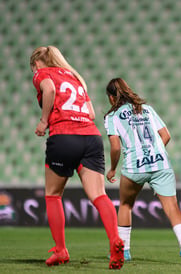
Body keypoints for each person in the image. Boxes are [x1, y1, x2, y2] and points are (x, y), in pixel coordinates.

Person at [30, 46, 124, 269]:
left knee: (53, 194)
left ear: (37, 63)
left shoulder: (42, 74)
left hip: (64, 136)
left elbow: (50, 89)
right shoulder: (75, 77)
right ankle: (114, 241)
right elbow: (91, 113)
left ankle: (61, 250)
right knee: (99, 195)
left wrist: (44, 120)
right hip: (91, 136)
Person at [103, 78, 181, 265]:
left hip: (134, 166)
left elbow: (115, 148)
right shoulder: (146, 109)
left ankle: (124, 251)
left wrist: (113, 169)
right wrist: (155, 153)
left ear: (111, 98)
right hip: (160, 164)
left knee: (125, 205)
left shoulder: (112, 117)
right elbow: (166, 135)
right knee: (173, 208)